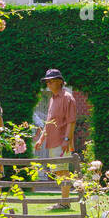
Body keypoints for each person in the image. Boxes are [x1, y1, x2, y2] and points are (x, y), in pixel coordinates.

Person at [36, 68, 78, 209]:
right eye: (47, 81)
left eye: (51, 81)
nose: (48, 84)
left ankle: (65, 203)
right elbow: (49, 122)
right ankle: (63, 201)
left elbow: (71, 121)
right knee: (58, 171)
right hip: (52, 141)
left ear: (60, 81)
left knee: (63, 171)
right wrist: (41, 139)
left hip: (62, 141)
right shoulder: (52, 99)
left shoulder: (67, 98)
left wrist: (66, 140)